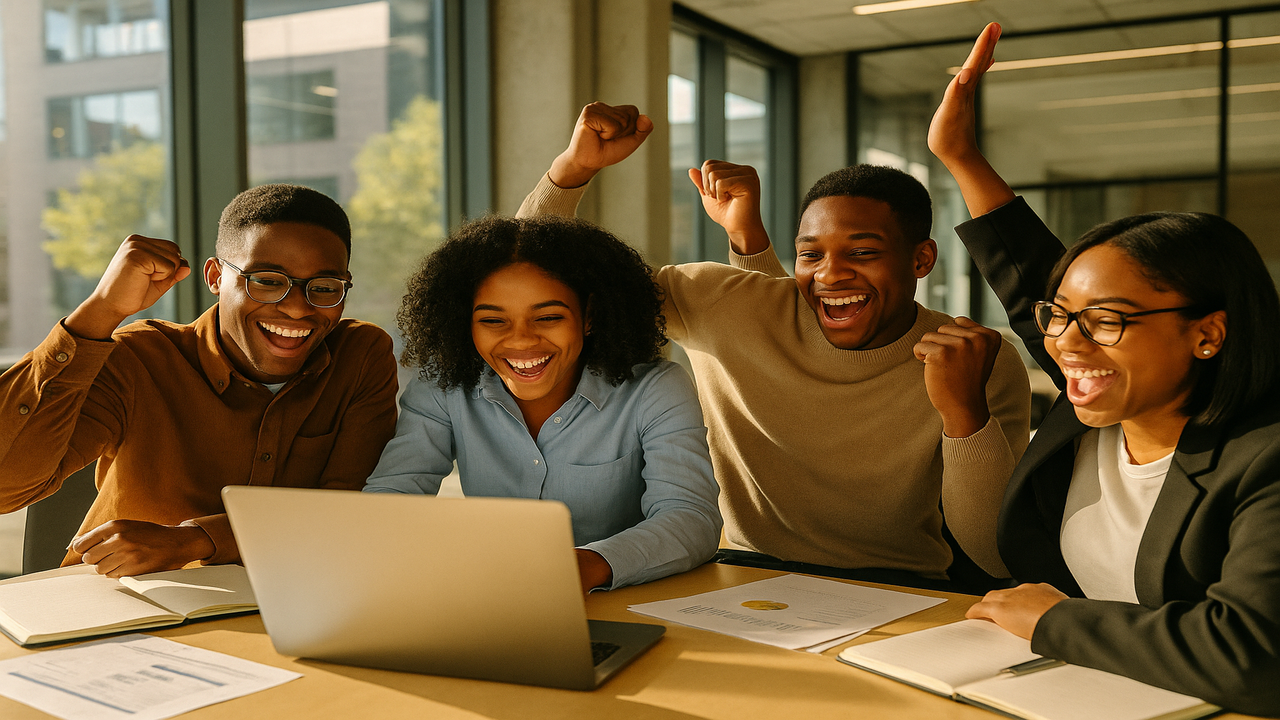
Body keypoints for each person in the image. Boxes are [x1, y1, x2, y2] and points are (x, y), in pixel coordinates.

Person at [517, 102, 1031, 589]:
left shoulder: (979, 358)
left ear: (921, 259)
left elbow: (992, 551)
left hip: (903, 584)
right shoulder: (720, 302)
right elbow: (531, 279)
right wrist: (572, 169)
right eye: (811, 254)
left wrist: (965, 413)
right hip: (742, 571)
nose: (831, 274)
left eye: (863, 251)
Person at [930, 23, 1280, 715]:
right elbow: (1033, 276)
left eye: (1107, 321)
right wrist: (960, 157)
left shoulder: (1262, 458)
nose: (1066, 344)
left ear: (1206, 333)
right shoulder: (1097, 392)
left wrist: (1055, 623)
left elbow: (1255, 656)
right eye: (1058, 317)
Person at [0, 184, 398, 578]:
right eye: (267, 281)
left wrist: (193, 540)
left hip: (292, 600)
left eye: (324, 288)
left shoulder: (360, 357)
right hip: (125, 605)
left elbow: (349, 512)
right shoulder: (140, 358)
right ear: (214, 276)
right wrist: (101, 310)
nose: (296, 308)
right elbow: (5, 487)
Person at [362, 214, 721, 592]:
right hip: (489, 599)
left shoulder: (656, 389)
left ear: (589, 316)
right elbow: (392, 497)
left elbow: (690, 517)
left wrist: (581, 566)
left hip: (624, 604)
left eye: (548, 317)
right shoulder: (443, 386)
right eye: (493, 321)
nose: (521, 341)